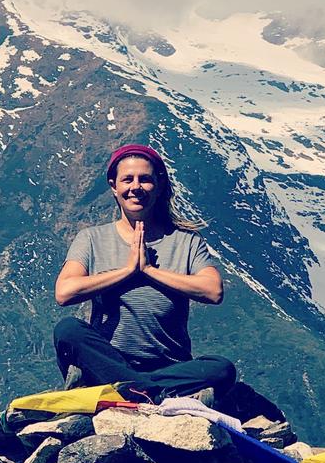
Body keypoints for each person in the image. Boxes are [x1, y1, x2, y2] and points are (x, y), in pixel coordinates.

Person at [53, 143, 237, 402]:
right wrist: (128, 271)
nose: (135, 187)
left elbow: (213, 290)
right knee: (68, 329)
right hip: (109, 362)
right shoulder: (92, 239)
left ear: (158, 186)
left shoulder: (185, 241)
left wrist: (149, 270)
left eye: (145, 179)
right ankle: (153, 392)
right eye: (127, 179)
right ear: (114, 187)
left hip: (171, 365)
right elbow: (64, 292)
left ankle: (134, 390)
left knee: (222, 368)